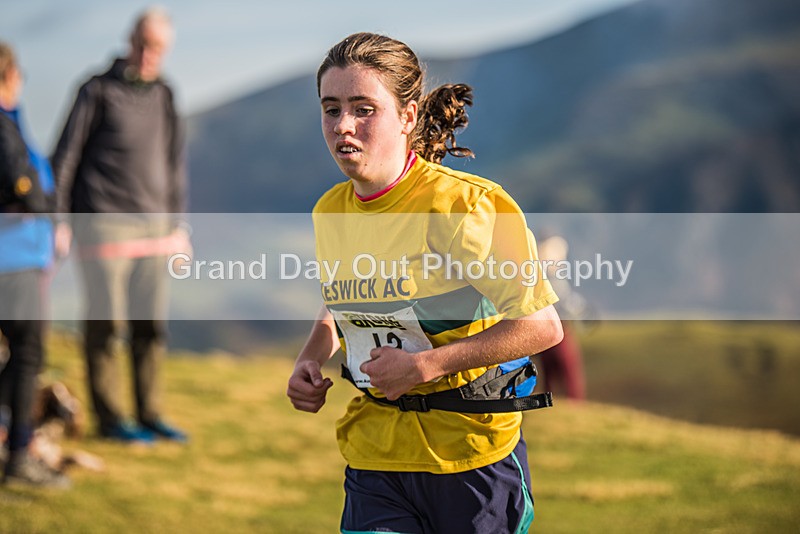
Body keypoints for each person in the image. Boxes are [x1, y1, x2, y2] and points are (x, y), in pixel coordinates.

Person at [287, 33, 563, 533]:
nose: (343, 125)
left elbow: (541, 326)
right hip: (375, 457)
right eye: (331, 109)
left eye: (363, 109)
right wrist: (311, 356)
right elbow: (344, 304)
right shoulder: (329, 211)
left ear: (408, 116)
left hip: (471, 459)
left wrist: (423, 366)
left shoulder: (466, 207)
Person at [51, 7, 189, 444]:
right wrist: (60, 221)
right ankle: (111, 420)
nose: (149, 55)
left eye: (158, 48)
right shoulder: (95, 90)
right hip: (103, 225)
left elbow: (174, 165)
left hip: (156, 229)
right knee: (106, 326)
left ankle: (149, 414)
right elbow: (65, 157)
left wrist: (178, 226)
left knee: (150, 327)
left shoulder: (165, 94)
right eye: (143, 44)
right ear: (130, 40)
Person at [0, 42, 70, 488]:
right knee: (28, 354)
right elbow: (19, 181)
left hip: (19, 255)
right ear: (11, 76)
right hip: (14, 258)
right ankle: (19, 457)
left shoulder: (11, 122)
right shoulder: (3, 125)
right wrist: (46, 209)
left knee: (23, 353)